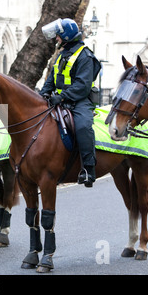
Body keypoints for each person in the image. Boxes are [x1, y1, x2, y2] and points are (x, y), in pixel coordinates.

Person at [39, 18, 101, 187]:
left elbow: (82, 85)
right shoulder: (61, 55)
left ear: (66, 36)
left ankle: (89, 169)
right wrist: (43, 94)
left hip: (80, 101)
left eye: (58, 36)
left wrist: (63, 96)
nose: (56, 39)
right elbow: (51, 79)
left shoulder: (85, 56)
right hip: (60, 100)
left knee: (82, 126)